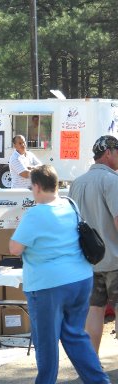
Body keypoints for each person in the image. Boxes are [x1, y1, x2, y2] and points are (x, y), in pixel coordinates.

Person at [10, 164, 110, 384]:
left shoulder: (35, 214)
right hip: (80, 279)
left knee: (46, 342)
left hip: (48, 285)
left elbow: (15, 248)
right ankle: (99, 381)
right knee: (75, 335)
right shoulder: (70, 204)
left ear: (36, 187)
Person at [69, 135, 118, 355]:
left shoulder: (77, 183)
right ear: (108, 152)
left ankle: (91, 365)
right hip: (115, 259)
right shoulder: (112, 181)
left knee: (94, 311)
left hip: (88, 261)